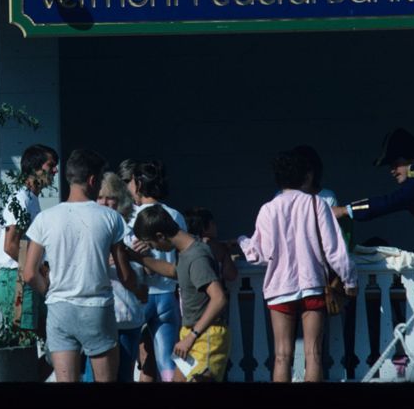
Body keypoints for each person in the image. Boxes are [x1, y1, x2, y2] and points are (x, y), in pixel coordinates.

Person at [238, 151, 356, 382]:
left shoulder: (267, 209)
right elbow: (335, 250)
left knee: (282, 356)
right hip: (313, 285)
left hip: (279, 288)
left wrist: (242, 240)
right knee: (313, 354)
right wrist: (349, 281)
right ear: (304, 177)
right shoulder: (316, 204)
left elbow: (259, 255)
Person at [22, 149, 137, 382]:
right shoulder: (110, 217)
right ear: (93, 180)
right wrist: (137, 287)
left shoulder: (45, 218)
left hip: (60, 308)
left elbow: (29, 273)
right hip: (97, 307)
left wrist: (50, 291)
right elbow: (125, 274)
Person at [131, 205, 230, 382]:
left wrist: (192, 336)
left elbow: (219, 298)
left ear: (161, 236)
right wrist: (137, 257)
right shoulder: (186, 252)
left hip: (206, 337)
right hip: (192, 334)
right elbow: (173, 271)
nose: (155, 249)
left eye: (153, 244)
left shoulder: (197, 257)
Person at [333, 128, 414, 253]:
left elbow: (392, 201)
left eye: (396, 163)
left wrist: (346, 210)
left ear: (412, 158)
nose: (392, 170)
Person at [80, 171, 147, 382]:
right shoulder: (85, 233)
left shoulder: (131, 234)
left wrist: (138, 256)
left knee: (124, 377)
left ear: (121, 201)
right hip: (97, 317)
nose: (105, 202)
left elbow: (145, 276)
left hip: (126, 317)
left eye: (111, 197)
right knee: (93, 378)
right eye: (100, 197)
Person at [124, 159, 187, 383]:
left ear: (139, 184)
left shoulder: (130, 217)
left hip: (138, 296)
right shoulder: (175, 214)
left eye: (130, 182)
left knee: (127, 359)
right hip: (168, 295)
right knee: (166, 361)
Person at [0, 144, 58, 331]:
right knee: (25, 342)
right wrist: (36, 270)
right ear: (35, 168)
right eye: (50, 165)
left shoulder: (32, 199)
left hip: (28, 276)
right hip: (18, 278)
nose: (55, 170)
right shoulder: (20, 199)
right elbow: (11, 245)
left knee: (46, 338)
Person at [183, 207, 238, 285]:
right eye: (212, 223)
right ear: (204, 228)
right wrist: (226, 252)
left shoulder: (182, 246)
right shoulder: (216, 247)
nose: (215, 226)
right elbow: (231, 275)